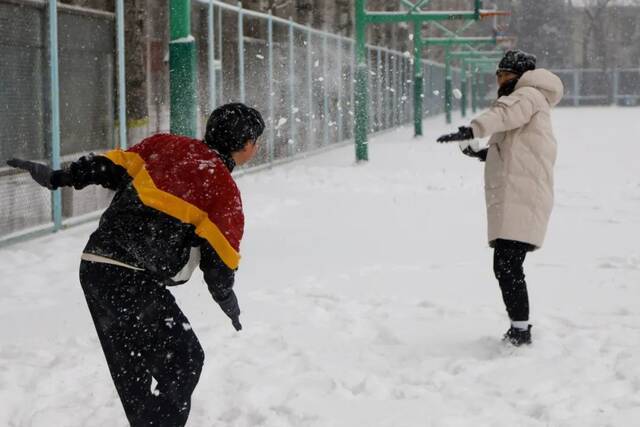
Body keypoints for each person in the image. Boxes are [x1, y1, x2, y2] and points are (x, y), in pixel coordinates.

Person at [6, 102, 265, 425]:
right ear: (247, 145)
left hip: (94, 266)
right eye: (256, 142)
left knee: (134, 374)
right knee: (184, 361)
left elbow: (107, 167)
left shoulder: (165, 145)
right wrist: (228, 302)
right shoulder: (224, 191)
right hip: (130, 277)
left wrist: (60, 177)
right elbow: (219, 266)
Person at [436, 50, 564, 346]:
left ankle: (520, 331)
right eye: (498, 74)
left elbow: (503, 115)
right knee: (507, 264)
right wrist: (480, 152)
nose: (500, 79)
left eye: (505, 73)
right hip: (521, 194)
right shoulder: (531, 99)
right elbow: (517, 148)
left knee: (507, 264)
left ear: (519, 76)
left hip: (522, 196)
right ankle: (519, 328)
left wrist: (473, 128)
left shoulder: (526, 95)